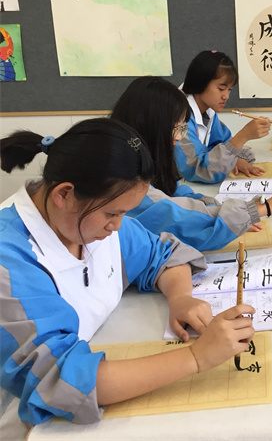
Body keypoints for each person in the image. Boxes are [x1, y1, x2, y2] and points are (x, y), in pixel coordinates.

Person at [0, 118, 255, 426]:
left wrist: (181, 297)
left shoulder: (87, 220)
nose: (119, 226)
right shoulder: (9, 261)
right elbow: (62, 380)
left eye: (124, 213)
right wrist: (196, 357)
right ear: (64, 194)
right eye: (112, 213)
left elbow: (162, 254)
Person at [111, 76, 272, 252]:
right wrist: (263, 208)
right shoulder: (125, 179)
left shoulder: (142, 153)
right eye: (221, 88)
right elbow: (178, 218)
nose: (179, 137)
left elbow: (174, 191)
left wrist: (229, 214)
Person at [174, 50, 270, 183]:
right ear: (200, 82)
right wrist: (243, 136)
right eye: (221, 89)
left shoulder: (208, 111)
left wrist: (235, 159)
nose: (226, 96)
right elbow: (199, 170)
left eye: (229, 89)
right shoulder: (179, 117)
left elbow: (220, 143)